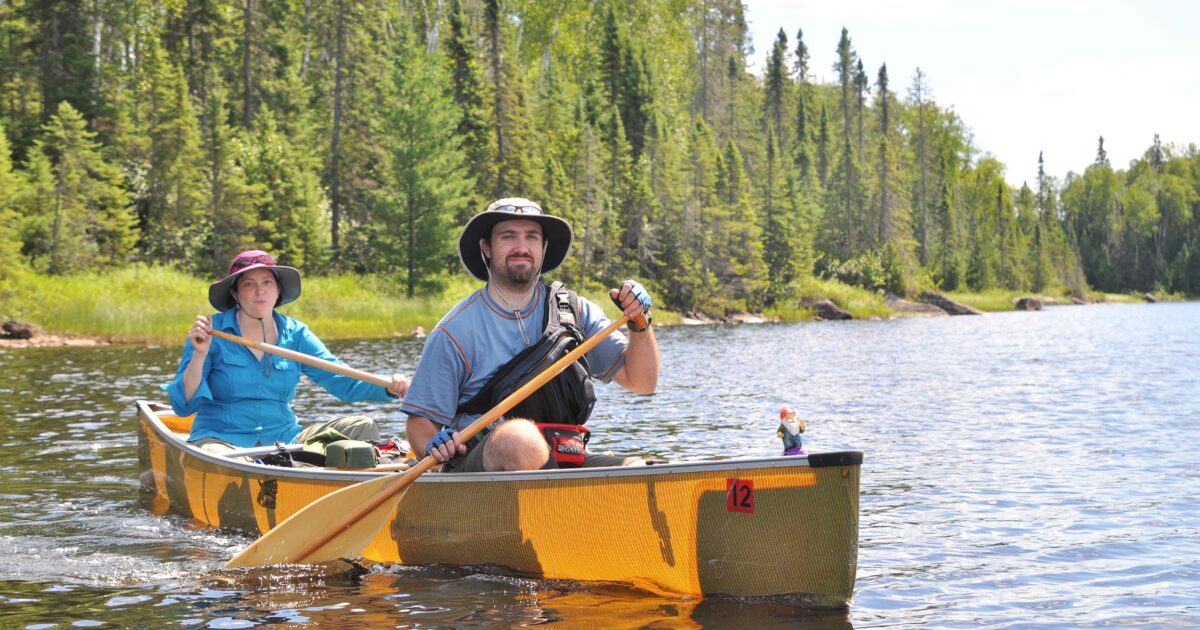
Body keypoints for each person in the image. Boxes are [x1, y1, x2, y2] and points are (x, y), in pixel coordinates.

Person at [401, 198, 660, 472]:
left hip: (562, 457)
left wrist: (639, 324)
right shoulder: (454, 331)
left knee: (638, 469)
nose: (521, 247)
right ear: (487, 247)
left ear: (543, 247)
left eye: (532, 237)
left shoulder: (574, 312)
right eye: (508, 236)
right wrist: (433, 442)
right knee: (518, 439)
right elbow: (420, 424)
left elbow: (642, 381)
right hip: (482, 469)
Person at [164, 250, 409, 455]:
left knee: (362, 426)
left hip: (284, 438)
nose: (260, 291)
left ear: (278, 291)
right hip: (222, 440)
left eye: (267, 282)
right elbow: (183, 407)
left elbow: (341, 380)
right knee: (220, 456)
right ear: (235, 293)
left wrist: (389, 386)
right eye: (249, 284)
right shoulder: (211, 332)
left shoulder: (296, 334)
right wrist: (199, 354)